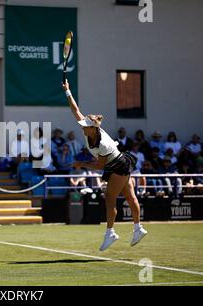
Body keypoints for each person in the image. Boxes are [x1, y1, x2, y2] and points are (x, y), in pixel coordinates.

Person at [62, 79, 147, 251]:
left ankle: (110, 233)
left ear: (93, 128)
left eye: (86, 126)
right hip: (119, 163)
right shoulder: (88, 130)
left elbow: (100, 166)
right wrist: (68, 91)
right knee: (130, 197)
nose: (82, 127)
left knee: (110, 198)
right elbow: (75, 110)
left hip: (118, 165)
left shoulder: (103, 144)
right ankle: (138, 229)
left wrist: (81, 164)